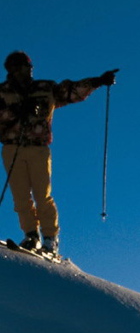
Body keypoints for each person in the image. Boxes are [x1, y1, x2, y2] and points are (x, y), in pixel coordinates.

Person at [0, 52, 118, 254]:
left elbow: (72, 91)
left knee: (42, 195)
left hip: (38, 148)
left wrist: (98, 81)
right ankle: (31, 235)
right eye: (24, 66)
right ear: (13, 69)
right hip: (12, 147)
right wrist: (17, 110)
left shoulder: (45, 88)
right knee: (20, 197)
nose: (29, 69)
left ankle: (49, 239)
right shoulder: (2, 92)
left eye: (30, 66)